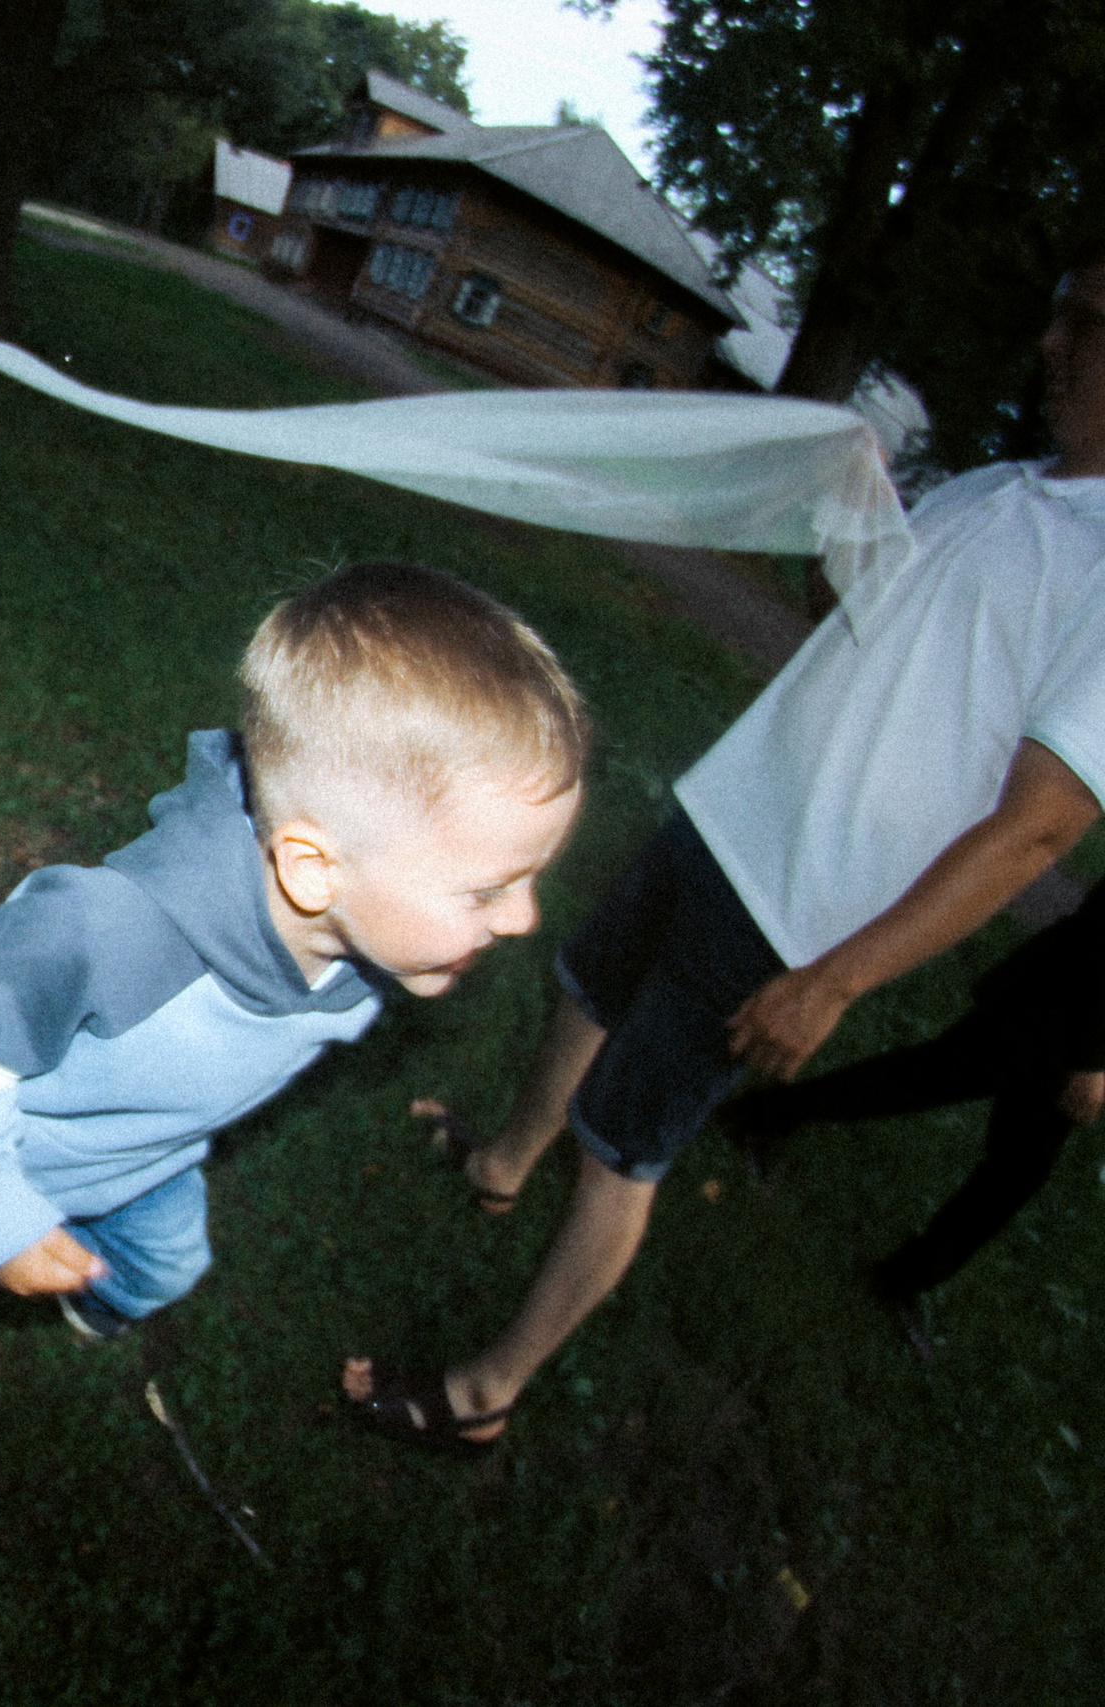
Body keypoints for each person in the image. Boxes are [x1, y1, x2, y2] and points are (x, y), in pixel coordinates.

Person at [344, 247, 1105, 1452]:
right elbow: (872, 623)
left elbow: (1044, 823)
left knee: (625, 1150)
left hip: (799, 904)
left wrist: (833, 979)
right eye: (1060, 312)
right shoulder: (999, 487)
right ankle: (499, 1166)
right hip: (733, 807)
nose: (1052, 345)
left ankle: (485, 1396)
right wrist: (847, 540)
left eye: (1087, 326)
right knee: (585, 986)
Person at [0, 565, 591, 1339]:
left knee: (171, 1263)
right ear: (314, 869)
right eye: (487, 890)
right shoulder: (120, 930)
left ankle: (102, 1293)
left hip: (149, 1152)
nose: (523, 918)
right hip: (10, 1147)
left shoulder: (368, 942)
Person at [722, 878, 1105, 1359]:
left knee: (1016, 1170)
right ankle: (764, 1114)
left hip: (1070, 1027)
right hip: (1055, 1007)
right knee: (923, 1081)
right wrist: (1091, 1061)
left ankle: (904, 1278)